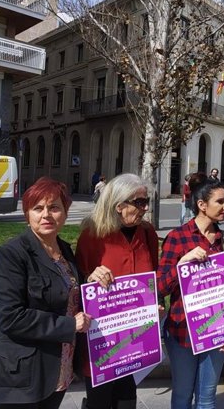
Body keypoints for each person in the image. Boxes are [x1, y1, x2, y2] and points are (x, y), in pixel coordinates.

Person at [0, 177, 91, 408]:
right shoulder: (11, 254)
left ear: (65, 212)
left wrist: (92, 279)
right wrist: (69, 325)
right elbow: (10, 317)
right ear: (27, 214)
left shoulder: (65, 251)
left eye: (54, 207)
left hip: (60, 366)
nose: (46, 215)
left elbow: (67, 294)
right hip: (23, 375)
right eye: (38, 208)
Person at [76, 173, 159, 409]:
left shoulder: (147, 233)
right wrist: (89, 277)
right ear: (119, 205)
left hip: (135, 338)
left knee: (126, 401)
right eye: (139, 202)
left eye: (146, 202)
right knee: (100, 402)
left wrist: (155, 303)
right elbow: (76, 282)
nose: (144, 208)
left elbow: (152, 276)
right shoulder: (92, 236)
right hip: (102, 340)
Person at [157, 173, 224, 409]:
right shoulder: (177, 238)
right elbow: (161, 286)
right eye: (220, 202)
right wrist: (182, 264)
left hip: (217, 331)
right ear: (202, 205)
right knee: (182, 396)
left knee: (207, 398)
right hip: (182, 331)